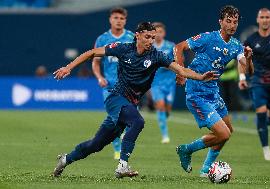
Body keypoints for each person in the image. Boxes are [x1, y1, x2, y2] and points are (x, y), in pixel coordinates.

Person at [53, 22, 218, 178]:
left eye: (153, 37)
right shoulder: (123, 49)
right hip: (116, 99)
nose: (151, 41)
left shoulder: (157, 56)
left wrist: (200, 77)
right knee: (138, 121)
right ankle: (122, 166)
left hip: (128, 105)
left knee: (96, 144)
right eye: (147, 36)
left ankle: (65, 159)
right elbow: (92, 53)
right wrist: (68, 67)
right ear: (138, 35)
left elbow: (180, 70)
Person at [174, 5, 253, 177]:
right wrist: (181, 72)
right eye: (228, 21)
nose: (232, 25)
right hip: (197, 92)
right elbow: (179, 47)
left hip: (213, 92)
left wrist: (249, 58)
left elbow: (247, 70)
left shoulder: (236, 45)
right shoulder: (208, 38)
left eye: (235, 22)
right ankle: (186, 150)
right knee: (223, 133)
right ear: (220, 22)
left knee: (228, 131)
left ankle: (205, 170)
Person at [239, 8, 270, 161]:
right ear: (258, 20)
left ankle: (262, 124)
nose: (265, 20)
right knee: (261, 111)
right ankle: (266, 149)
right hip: (258, 82)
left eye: (267, 17)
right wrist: (242, 78)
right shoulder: (250, 40)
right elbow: (241, 60)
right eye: (262, 17)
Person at [92, 7, 134, 160]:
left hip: (129, 86)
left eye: (121, 18)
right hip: (109, 86)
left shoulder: (131, 37)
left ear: (125, 21)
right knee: (115, 116)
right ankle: (117, 149)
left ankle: (121, 143)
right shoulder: (102, 39)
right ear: (110, 19)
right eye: (116, 18)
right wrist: (99, 77)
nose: (118, 21)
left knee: (126, 119)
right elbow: (95, 62)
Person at [151, 22, 175, 143]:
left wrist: (170, 65)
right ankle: (165, 135)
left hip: (170, 82)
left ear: (164, 33)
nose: (158, 34)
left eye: (160, 32)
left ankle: (163, 118)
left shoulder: (171, 46)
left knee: (168, 109)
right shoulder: (149, 47)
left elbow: (178, 60)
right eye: (156, 32)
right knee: (160, 105)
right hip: (156, 82)